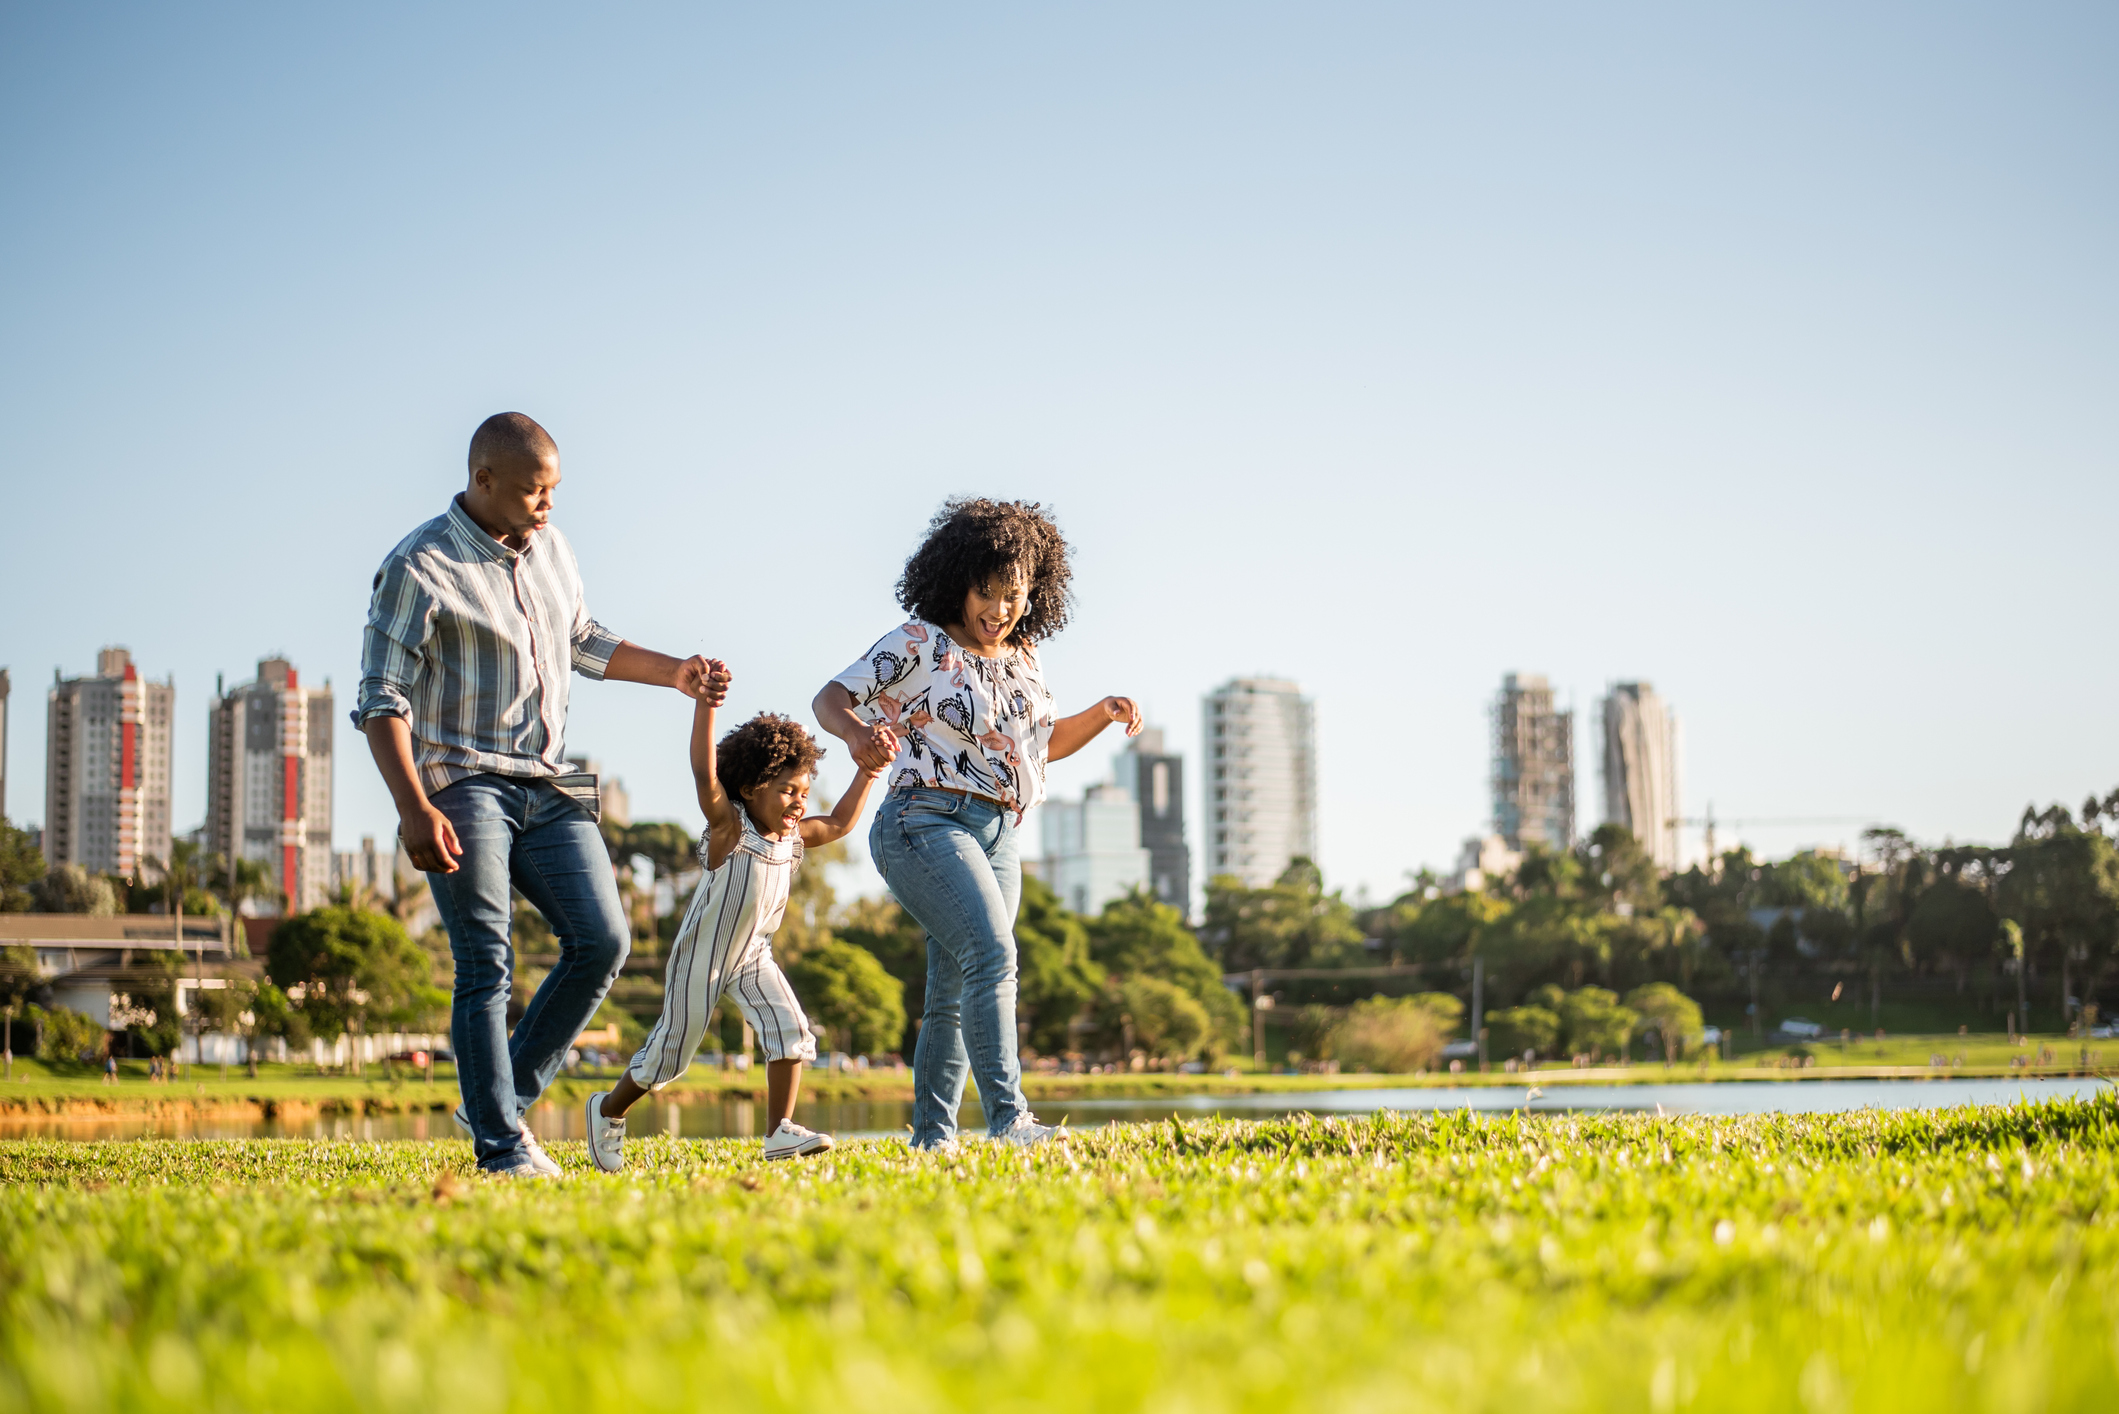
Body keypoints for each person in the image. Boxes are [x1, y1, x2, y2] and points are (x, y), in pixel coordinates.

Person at [355, 411, 720, 1178]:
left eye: (553, 491)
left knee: (604, 941)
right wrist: (413, 807)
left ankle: (500, 1094)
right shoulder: (418, 566)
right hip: (461, 782)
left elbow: (583, 639)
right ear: (482, 480)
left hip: (548, 782)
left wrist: (674, 672)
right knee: (485, 960)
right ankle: (499, 1146)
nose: (546, 506)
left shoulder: (552, 548)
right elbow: (381, 700)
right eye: (532, 492)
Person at [812, 497, 1142, 1152]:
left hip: (999, 834)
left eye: (1013, 595)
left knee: (954, 988)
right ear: (954, 581)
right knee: (993, 955)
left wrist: (1101, 713)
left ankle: (931, 1141)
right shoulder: (918, 644)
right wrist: (855, 736)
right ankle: (1010, 1120)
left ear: (1033, 593)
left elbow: (1037, 745)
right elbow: (831, 698)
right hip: (923, 822)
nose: (999, 609)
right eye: (985, 592)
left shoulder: (1024, 655)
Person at [585, 669, 894, 1170]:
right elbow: (704, 774)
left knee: (790, 1029)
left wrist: (869, 770)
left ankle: (778, 1133)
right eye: (788, 791)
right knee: (671, 1055)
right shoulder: (730, 827)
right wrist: (705, 705)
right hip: (702, 956)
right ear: (751, 788)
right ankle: (608, 1109)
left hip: (752, 956)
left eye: (803, 792)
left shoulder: (791, 840)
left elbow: (837, 823)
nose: (799, 803)